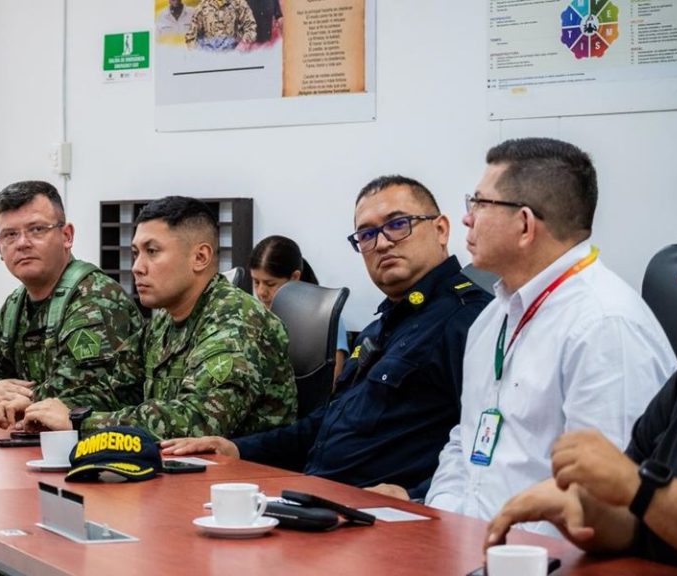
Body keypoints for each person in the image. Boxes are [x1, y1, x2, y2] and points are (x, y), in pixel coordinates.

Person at [394, 138, 677, 533]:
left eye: (479, 203)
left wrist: (505, 552)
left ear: (525, 224)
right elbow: (464, 441)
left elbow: (605, 500)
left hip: (544, 556)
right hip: (466, 542)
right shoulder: (492, 317)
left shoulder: (604, 326)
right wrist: (445, 523)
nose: (467, 218)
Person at [162, 176, 491, 496]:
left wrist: (416, 496)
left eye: (397, 224)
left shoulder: (470, 320)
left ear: (440, 229)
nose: (382, 243)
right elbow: (323, 427)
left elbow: (491, 448)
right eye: (367, 234)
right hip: (316, 496)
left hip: (384, 512)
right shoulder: (381, 328)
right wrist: (236, 448)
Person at [484, 173, 677, 573]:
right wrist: (576, 508)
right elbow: (633, 519)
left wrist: (638, 488)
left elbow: (636, 490)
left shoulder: (606, 319)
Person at [20, 195, 297, 438]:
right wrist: (39, 407)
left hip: (244, 476)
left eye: (152, 252)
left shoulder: (237, 320)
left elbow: (197, 420)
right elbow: (114, 390)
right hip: (178, 470)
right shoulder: (164, 321)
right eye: (135, 253)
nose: (137, 267)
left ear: (200, 257)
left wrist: (80, 421)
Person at [0, 181, 143, 427]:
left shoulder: (95, 298)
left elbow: (78, 394)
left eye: (36, 230)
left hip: (101, 443)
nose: (22, 243)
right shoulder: (16, 305)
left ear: (67, 236)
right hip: (38, 440)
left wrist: (17, 399)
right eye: (10, 234)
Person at [249, 234, 348, 379]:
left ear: (295, 277)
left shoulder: (325, 318)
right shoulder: (255, 313)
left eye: (270, 284)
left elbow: (330, 382)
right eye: (256, 282)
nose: (261, 292)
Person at [185, 0, 257, 50]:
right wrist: (201, 55)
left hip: (234, 56)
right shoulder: (203, 6)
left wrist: (243, 46)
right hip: (210, 58)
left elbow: (251, 27)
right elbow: (191, 37)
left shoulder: (238, 3)